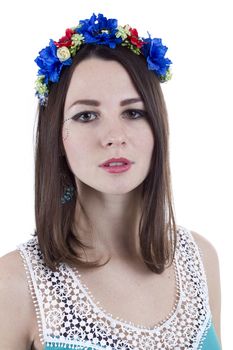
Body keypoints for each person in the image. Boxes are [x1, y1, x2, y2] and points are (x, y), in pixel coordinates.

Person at [0, 13, 221, 350]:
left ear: (157, 128)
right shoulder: (14, 284)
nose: (114, 136)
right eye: (86, 115)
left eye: (133, 112)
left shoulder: (201, 261)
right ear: (57, 137)